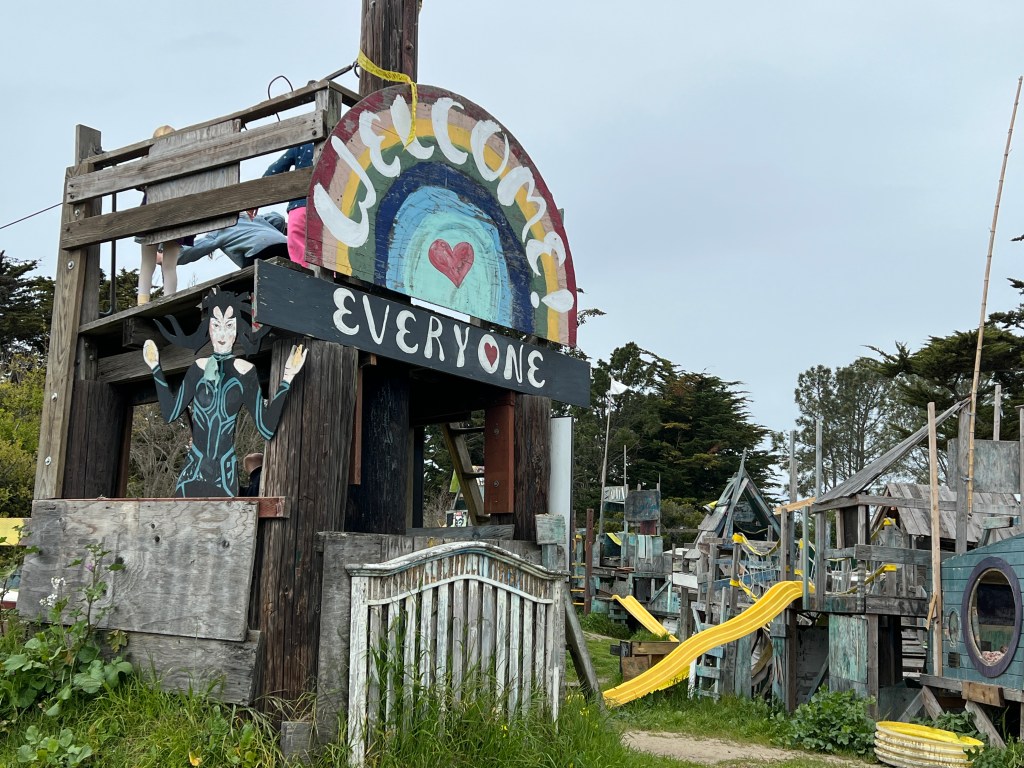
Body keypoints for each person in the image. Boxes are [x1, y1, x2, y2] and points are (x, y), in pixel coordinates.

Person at [142, 289, 306, 497]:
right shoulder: (198, 368)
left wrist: (287, 378)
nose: (221, 334)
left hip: (224, 476)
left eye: (229, 325)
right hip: (192, 470)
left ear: (238, 328)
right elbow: (170, 413)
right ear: (208, 328)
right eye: (216, 325)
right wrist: (156, 368)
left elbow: (266, 428)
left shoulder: (245, 371)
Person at [138, 125, 195, 304]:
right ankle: (169, 299)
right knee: (170, 265)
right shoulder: (183, 160)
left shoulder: (149, 161)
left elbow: (139, 183)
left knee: (147, 263)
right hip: (176, 214)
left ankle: (142, 301)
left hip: (150, 214)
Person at [177, 211, 288, 269]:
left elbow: (193, 251)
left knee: (243, 289)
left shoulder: (219, 230)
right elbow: (278, 219)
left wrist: (168, 257)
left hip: (258, 252)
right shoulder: (252, 218)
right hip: (286, 246)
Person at [263, 142, 314, 267]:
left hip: (300, 205)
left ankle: (303, 275)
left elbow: (273, 172)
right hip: (331, 208)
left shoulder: (303, 145)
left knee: (299, 252)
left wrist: (255, 199)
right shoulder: (343, 143)